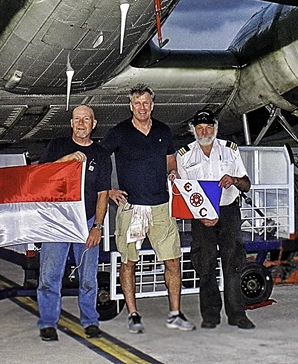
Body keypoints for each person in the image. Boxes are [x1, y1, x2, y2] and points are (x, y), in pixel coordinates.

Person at [100, 84, 195, 333]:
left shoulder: (163, 130)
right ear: (130, 106)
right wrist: (109, 190)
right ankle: (133, 314)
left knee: (173, 261)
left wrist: (173, 173)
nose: (142, 108)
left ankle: (175, 313)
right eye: (137, 103)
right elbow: (99, 159)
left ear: (152, 105)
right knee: (128, 262)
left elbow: (170, 160)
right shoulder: (118, 132)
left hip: (161, 207)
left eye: (146, 103)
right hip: (131, 208)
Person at [36, 105, 111, 342]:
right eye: (77, 119)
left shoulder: (100, 154)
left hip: (86, 220)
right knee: (50, 275)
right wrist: (66, 160)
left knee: (89, 276)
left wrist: (97, 226)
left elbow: (103, 194)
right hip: (58, 220)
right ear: (71, 123)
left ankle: (90, 321)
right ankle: (48, 322)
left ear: (94, 124)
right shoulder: (58, 146)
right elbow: (41, 175)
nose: (81, 123)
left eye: (86, 119)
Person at [175, 109, 255, 330]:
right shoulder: (184, 155)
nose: (204, 132)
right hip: (201, 216)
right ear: (193, 130)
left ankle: (237, 314)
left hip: (228, 211)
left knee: (234, 263)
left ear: (215, 128)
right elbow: (182, 190)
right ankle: (210, 315)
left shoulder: (230, 150)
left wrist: (235, 180)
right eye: (200, 128)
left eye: (209, 127)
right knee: (205, 263)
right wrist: (201, 214)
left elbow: (246, 183)